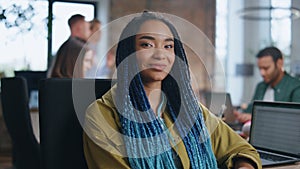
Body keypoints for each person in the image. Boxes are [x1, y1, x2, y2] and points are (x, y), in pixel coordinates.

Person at [83, 11, 261, 169]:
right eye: (147, 45)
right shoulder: (101, 116)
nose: (160, 54)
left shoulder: (189, 109)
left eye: (168, 46)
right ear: (128, 52)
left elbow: (241, 149)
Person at [234, 46, 300, 137]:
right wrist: (240, 115)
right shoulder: (261, 87)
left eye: (266, 68)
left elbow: (294, 122)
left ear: (279, 63)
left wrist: (256, 118)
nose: (262, 73)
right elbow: (250, 110)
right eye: (260, 69)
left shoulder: (295, 86)